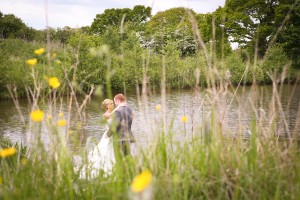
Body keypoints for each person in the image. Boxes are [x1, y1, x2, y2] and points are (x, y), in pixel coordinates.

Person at [84, 99, 116, 178]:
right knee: (106, 150)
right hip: (109, 134)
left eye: (113, 103)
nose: (113, 105)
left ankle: (114, 165)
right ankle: (107, 167)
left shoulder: (114, 112)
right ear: (107, 106)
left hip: (112, 134)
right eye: (110, 104)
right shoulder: (106, 115)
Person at [107, 94, 135, 161]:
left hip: (119, 139)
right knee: (127, 158)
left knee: (119, 159)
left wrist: (108, 134)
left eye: (115, 102)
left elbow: (114, 125)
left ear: (118, 101)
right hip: (128, 137)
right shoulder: (130, 109)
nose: (115, 104)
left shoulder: (118, 111)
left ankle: (122, 171)